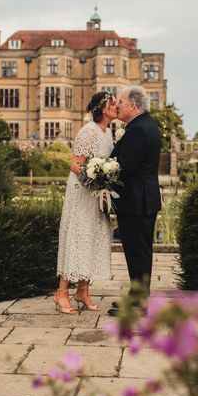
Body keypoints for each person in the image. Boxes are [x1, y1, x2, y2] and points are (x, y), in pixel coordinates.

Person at [55, 92, 117, 314]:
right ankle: (61, 293)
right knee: (77, 237)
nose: (116, 105)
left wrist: (104, 183)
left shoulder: (109, 132)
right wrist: (95, 182)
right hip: (82, 193)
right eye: (112, 103)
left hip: (96, 195)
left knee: (91, 238)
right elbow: (76, 164)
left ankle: (83, 290)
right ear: (102, 108)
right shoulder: (88, 131)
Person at [107, 86, 161, 317]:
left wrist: (102, 173)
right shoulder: (144, 125)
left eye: (121, 101)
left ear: (133, 105)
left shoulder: (139, 129)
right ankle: (137, 295)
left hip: (137, 201)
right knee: (138, 251)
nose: (117, 105)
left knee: (137, 252)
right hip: (141, 200)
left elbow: (125, 166)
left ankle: (139, 302)